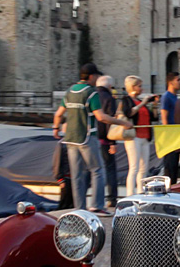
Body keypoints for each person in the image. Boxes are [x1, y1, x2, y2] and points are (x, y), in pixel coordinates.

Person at [52, 63, 132, 213]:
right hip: (88, 137)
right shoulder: (91, 92)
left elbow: (58, 114)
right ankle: (97, 205)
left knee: (76, 175)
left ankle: (79, 208)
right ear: (91, 76)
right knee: (97, 170)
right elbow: (101, 117)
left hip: (70, 139)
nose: (97, 79)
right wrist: (123, 123)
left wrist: (56, 128)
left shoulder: (70, 91)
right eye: (96, 76)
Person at [120, 76, 155, 195]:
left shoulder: (140, 101)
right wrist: (143, 103)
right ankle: (130, 193)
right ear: (133, 87)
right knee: (134, 167)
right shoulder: (126, 100)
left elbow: (153, 117)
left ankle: (141, 191)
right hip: (133, 136)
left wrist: (153, 105)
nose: (141, 88)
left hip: (145, 136)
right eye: (139, 86)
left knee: (143, 167)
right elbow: (129, 113)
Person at [94, 75, 120, 208]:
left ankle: (96, 199)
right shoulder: (109, 98)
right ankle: (111, 198)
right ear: (109, 86)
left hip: (92, 138)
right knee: (110, 169)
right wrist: (112, 142)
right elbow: (110, 121)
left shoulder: (92, 95)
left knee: (94, 170)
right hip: (105, 139)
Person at [160, 71, 180, 183]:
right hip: (170, 134)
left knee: (175, 163)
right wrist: (167, 134)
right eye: (178, 80)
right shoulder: (166, 97)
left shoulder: (175, 97)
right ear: (171, 82)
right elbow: (164, 116)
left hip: (176, 133)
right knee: (170, 163)